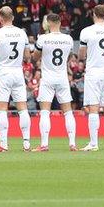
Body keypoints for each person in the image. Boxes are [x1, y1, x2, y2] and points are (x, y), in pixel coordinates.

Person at [0, 6, 32, 153]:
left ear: (0, 19)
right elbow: (27, 56)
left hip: (3, 72)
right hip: (17, 72)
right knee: (22, 108)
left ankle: (4, 144)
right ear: (12, 17)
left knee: (1, 109)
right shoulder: (22, 33)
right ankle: (26, 143)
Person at [79, 5, 104, 152]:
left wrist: (84, 56)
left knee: (94, 108)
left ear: (94, 14)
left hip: (93, 73)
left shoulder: (87, 31)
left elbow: (82, 54)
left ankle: (94, 143)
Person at [34, 13, 77, 152]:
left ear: (48, 23)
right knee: (68, 112)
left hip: (48, 78)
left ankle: (44, 144)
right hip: (62, 77)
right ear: (59, 22)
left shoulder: (43, 38)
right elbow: (69, 56)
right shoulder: (68, 39)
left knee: (45, 112)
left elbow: (35, 57)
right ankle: (72, 143)